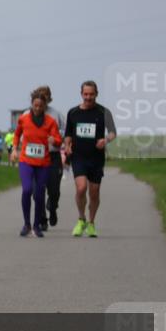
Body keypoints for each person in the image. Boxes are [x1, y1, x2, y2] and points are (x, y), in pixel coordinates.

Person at [64, 80, 117, 238]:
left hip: (96, 158)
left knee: (94, 193)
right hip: (79, 157)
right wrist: (67, 146)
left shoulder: (103, 112)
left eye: (91, 94)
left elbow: (113, 132)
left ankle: (92, 223)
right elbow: (68, 134)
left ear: (96, 94)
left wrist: (105, 140)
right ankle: (81, 219)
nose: (88, 97)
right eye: (85, 94)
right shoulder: (73, 112)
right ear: (81, 94)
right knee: (81, 188)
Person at [11, 90, 62, 237]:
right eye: (35, 105)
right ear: (32, 104)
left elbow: (58, 140)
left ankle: (36, 225)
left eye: (41, 106)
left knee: (39, 195)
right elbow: (17, 134)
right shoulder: (24, 119)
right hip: (26, 161)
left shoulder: (50, 122)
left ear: (45, 106)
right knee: (27, 190)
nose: (38, 108)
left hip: (43, 163)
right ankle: (26, 224)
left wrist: (54, 140)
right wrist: (14, 149)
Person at [32, 86, 66, 230]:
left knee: (54, 190)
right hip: (36, 156)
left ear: (49, 99)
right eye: (40, 96)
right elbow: (21, 133)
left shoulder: (56, 114)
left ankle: (52, 208)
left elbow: (65, 130)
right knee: (36, 191)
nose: (42, 100)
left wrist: (57, 137)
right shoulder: (29, 113)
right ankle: (42, 218)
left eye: (45, 97)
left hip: (53, 156)